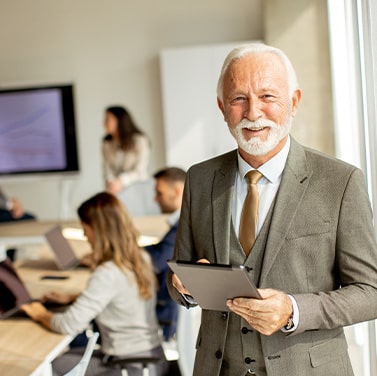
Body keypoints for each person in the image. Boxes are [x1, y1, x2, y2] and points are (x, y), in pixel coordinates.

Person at [166, 43, 377, 376]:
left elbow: (371, 291)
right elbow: (178, 279)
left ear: (293, 102)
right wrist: (185, 287)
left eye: (267, 97)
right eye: (239, 99)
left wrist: (294, 310)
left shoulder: (341, 181)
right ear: (222, 107)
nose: (253, 112)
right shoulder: (200, 178)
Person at [21, 192, 166, 376]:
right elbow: (121, 296)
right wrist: (73, 298)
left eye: (85, 229)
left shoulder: (108, 273)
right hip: (151, 357)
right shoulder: (140, 258)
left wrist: (40, 314)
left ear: (98, 230)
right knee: (66, 358)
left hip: (130, 365)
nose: (84, 235)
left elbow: (68, 324)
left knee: (51, 367)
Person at [145, 167, 186, 341]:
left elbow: (157, 259)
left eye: (159, 193)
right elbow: (160, 249)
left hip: (165, 317)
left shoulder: (185, 224)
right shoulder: (181, 222)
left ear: (177, 191)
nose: (155, 199)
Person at [102, 105, 151, 195]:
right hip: (116, 190)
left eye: (108, 119)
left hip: (138, 188)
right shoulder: (106, 143)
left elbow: (140, 171)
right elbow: (106, 169)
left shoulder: (140, 140)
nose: (104, 123)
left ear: (119, 121)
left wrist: (121, 181)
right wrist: (111, 182)